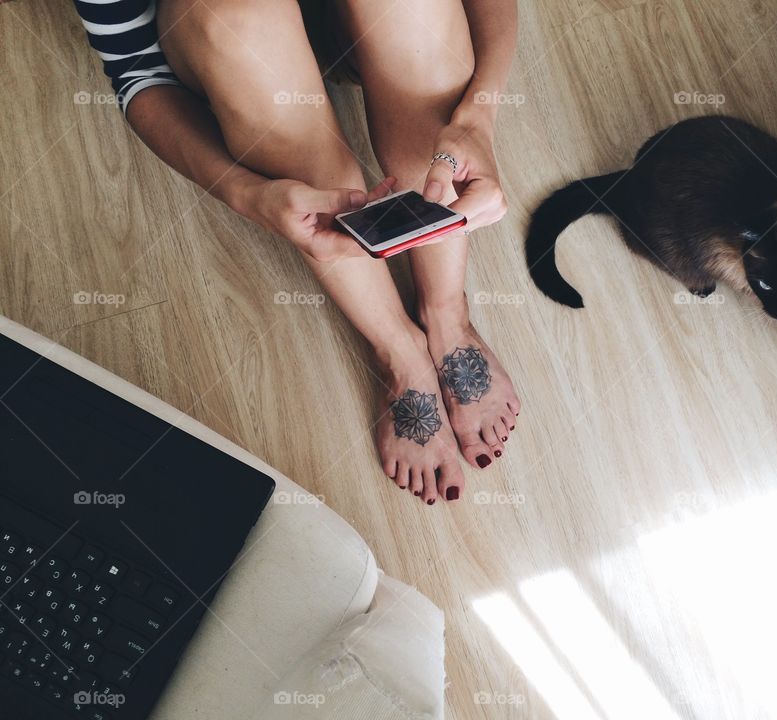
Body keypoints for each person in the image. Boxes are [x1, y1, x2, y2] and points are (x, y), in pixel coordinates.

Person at [73, 0, 521, 505]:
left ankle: (446, 314)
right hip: (227, 46)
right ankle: (400, 349)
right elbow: (136, 71)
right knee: (239, 19)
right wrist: (246, 193)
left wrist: (478, 115)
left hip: (352, 24)